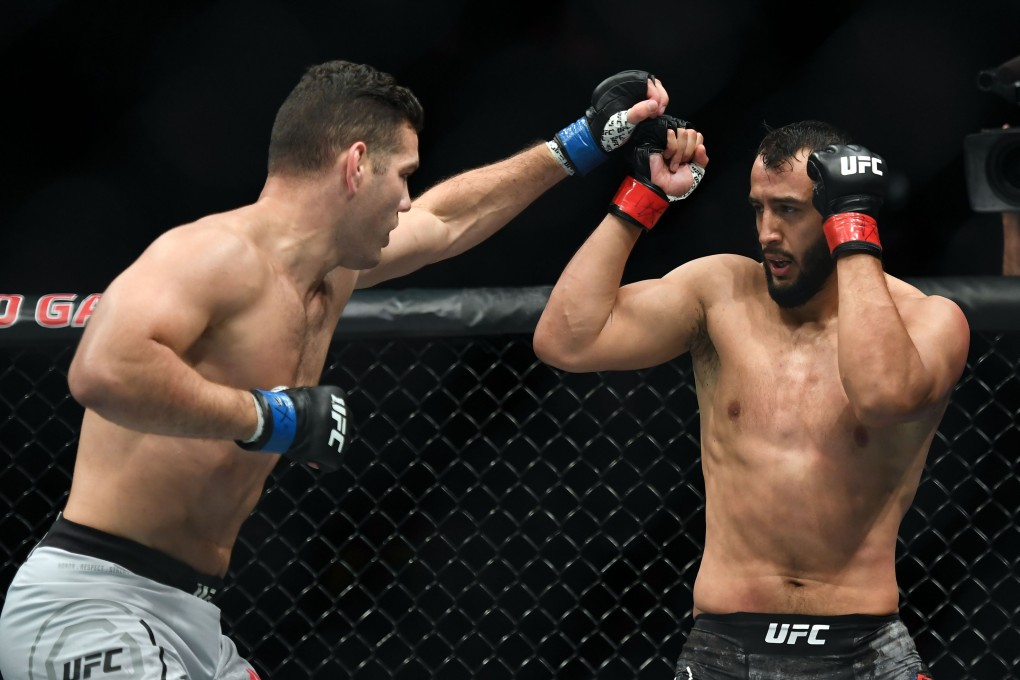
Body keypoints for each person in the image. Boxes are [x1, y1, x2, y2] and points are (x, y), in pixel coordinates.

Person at [0, 60, 673, 679]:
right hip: (93, 603)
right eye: (402, 175)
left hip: (191, 614)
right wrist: (272, 418)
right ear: (356, 166)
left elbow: (447, 219)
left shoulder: (335, 269)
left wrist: (581, 142)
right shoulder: (212, 255)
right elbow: (102, 371)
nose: (407, 199)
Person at [533, 119, 971, 678]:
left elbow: (881, 397)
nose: (766, 232)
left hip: (864, 648)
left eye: (787, 210)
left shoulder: (927, 320)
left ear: (836, 210)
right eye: (758, 209)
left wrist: (855, 227)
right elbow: (565, 340)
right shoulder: (721, 292)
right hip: (724, 646)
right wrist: (641, 198)